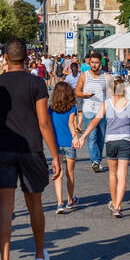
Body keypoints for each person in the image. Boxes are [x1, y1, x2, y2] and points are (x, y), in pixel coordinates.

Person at [0, 39, 60, 260]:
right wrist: (55, 155)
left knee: (5, 209)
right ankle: (39, 256)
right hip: (31, 149)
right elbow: (44, 122)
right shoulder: (36, 82)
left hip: (2, 149)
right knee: (34, 204)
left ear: (4, 58)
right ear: (27, 57)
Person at [76, 74, 130, 218]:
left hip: (111, 141)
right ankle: (117, 207)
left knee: (112, 174)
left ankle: (114, 201)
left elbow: (95, 121)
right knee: (122, 175)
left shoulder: (106, 104)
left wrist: (83, 136)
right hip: (126, 140)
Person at [73, 51, 108, 173]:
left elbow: (112, 94)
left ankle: (97, 160)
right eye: (92, 62)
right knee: (91, 137)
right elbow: (77, 91)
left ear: (100, 63)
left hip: (102, 111)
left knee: (101, 137)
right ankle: (95, 161)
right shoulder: (84, 75)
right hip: (88, 110)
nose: (93, 65)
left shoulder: (106, 76)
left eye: (96, 63)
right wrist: (84, 94)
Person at [49, 82, 80, 212]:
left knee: (58, 173)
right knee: (70, 173)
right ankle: (70, 200)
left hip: (56, 143)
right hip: (69, 143)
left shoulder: (51, 108)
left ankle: (59, 203)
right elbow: (70, 124)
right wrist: (75, 136)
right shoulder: (72, 107)